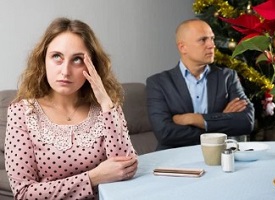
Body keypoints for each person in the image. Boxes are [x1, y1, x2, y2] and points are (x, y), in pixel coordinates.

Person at [5, 17, 138, 199]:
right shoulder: (22, 112)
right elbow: (24, 193)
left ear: (92, 65)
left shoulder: (107, 107)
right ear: (43, 60)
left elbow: (125, 169)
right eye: (57, 57)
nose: (65, 71)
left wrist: (106, 104)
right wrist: (93, 178)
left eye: (77, 59)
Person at [146, 19, 255, 150]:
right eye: (203, 40)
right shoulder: (158, 83)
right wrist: (220, 121)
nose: (211, 45)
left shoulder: (227, 77)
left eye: (212, 39)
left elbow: (246, 122)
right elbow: (165, 133)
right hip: (175, 159)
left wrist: (194, 119)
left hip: (219, 155)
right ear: (183, 47)